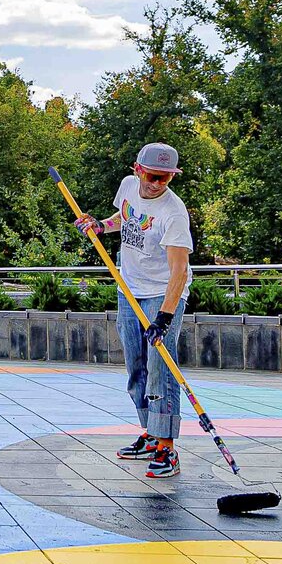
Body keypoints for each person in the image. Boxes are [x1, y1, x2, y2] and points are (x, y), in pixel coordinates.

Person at [76, 142, 194, 479]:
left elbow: (180, 272)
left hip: (162, 294)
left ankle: (167, 447)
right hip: (128, 288)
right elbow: (124, 220)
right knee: (136, 368)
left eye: (166, 178)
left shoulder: (174, 213)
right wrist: (100, 226)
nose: (158, 184)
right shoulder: (128, 187)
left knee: (161, 368)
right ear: (137, 170)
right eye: (153, 176)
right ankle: (150, 433)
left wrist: (164, 319)